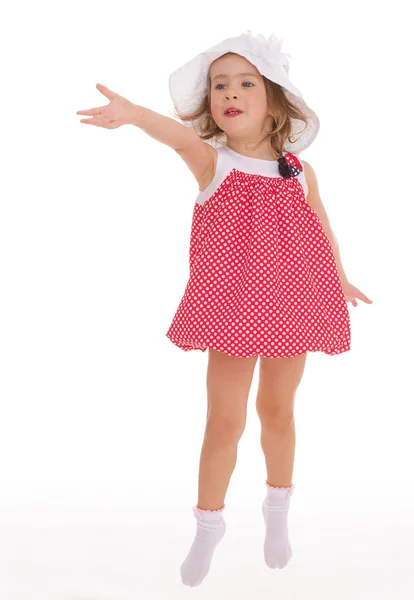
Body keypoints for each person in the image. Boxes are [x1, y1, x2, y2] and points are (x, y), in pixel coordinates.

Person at [76, 30, 373, 588]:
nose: (229, 93)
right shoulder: (214, 164)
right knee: (225, 420)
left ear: (275, 100)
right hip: (234, 313)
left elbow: (320, 225)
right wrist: (136, 113)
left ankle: (277, 511)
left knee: (279, 411)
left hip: (298, 303)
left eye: (245, 83)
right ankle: (208, 525)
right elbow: (171, 135)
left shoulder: (299, 172)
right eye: (219, 85)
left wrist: (340, 277)